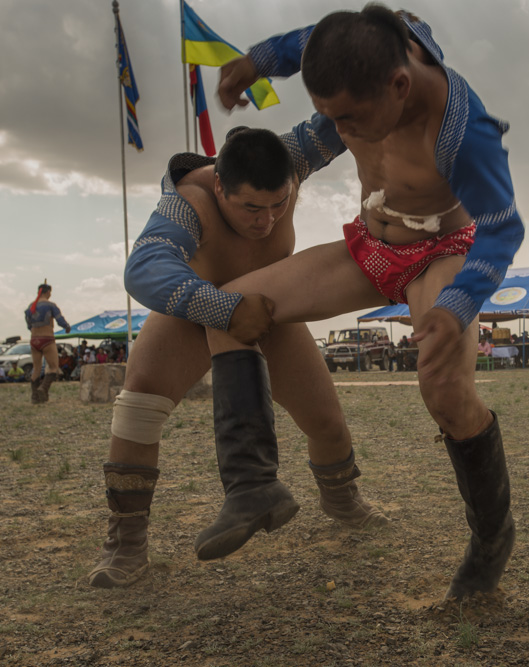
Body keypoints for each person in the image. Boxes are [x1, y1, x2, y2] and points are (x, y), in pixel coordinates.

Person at [213, 5, 523, 601]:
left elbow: (502, 227)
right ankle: (252, 484)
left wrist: (456, 304)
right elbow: (297, 46)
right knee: (229, 307)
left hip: (442, 253)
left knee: (444, 390)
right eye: (329, 115)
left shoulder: (464, 130)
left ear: (399, 86)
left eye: (349, 118)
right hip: (370, 246)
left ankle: (491, 538)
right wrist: (252, 63)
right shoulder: (348, 48)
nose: (337, 132)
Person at [88, 127, 386, 589]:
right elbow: (145, 267)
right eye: (251, 208)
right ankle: (126, 541)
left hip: (267, 310)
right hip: (194, 310)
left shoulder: (292, 157)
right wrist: (223, 309)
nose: (266, 221)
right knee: (138, 408)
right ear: (219, 186)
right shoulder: (188, 203)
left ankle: (341, 497)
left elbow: (346, 114)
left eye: (278, 205)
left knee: (326, 421)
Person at [24, 282, 71, 403]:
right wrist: (67, 327)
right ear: (48, 292)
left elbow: (29, 325)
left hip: (34, 340)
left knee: (36, 369)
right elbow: (60, 320)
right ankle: (43, 388)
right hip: (47, 339)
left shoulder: (31, 307)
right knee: (54, 367)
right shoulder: (50, 305)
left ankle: (35, 397)